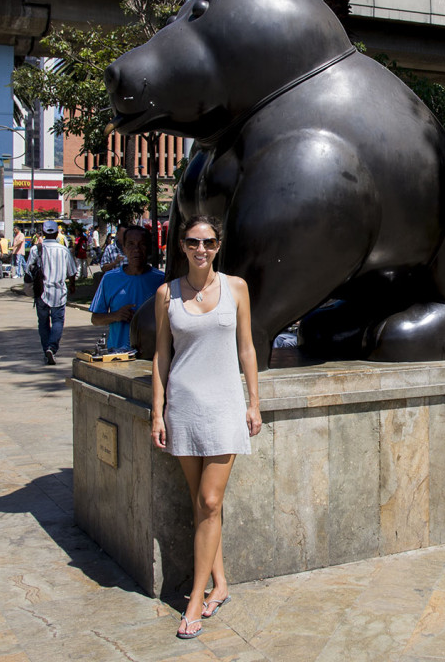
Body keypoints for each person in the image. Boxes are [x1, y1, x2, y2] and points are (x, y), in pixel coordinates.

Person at [150, 216, 261, 640]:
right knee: (201, 505)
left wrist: (254, 402)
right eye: (194, 242)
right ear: (182, 245)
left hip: (224, 408)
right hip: (183, 407)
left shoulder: (236, 288)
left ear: (218, 245)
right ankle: (222, 584)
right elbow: (161, 358)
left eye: (209, 242)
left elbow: (247, 348)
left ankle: (195, 599)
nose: (202, 249)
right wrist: (157, 412)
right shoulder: (167, 294)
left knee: (211, 500)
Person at [90, 226, 164, 350]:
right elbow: (95, 319)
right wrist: (116, 316)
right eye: (131, 244)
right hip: (118, 356)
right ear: (123, 248)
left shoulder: (161, 280)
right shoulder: (110, 279)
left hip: (152, 355)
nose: (136, 249)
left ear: (149, 248)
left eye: (142, 244)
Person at [27, 219, 77, 365]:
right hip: (59, 292)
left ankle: (46, 350)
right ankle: (51, 347)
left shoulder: (36, 249)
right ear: (56, 233)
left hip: (41, 291)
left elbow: (28, 270)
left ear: (42, 232)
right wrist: (73, 285)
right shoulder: (64, 250)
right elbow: (72, 271)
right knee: (57, 321)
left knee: (43, 322)